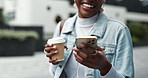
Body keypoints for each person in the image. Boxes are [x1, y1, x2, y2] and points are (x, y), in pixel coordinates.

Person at [44, 0, 134, 78]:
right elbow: (55, 73)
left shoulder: (119, 30)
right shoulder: (62, 26)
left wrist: (105, 67)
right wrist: (54, 62)